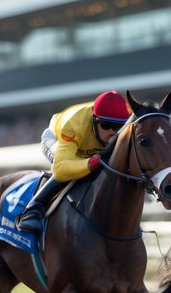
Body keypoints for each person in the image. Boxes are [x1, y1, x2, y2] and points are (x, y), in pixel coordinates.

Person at [16, 90, 132, 235]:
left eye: (118, 127)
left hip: (90, 149)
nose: (112, 132)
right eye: (106, 124)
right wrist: (89, 163)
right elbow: (60, 170)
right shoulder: (74, 124)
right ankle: (32, 209)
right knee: (72, 171)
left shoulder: (128, 115)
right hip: (58, 139)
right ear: (95, 120)